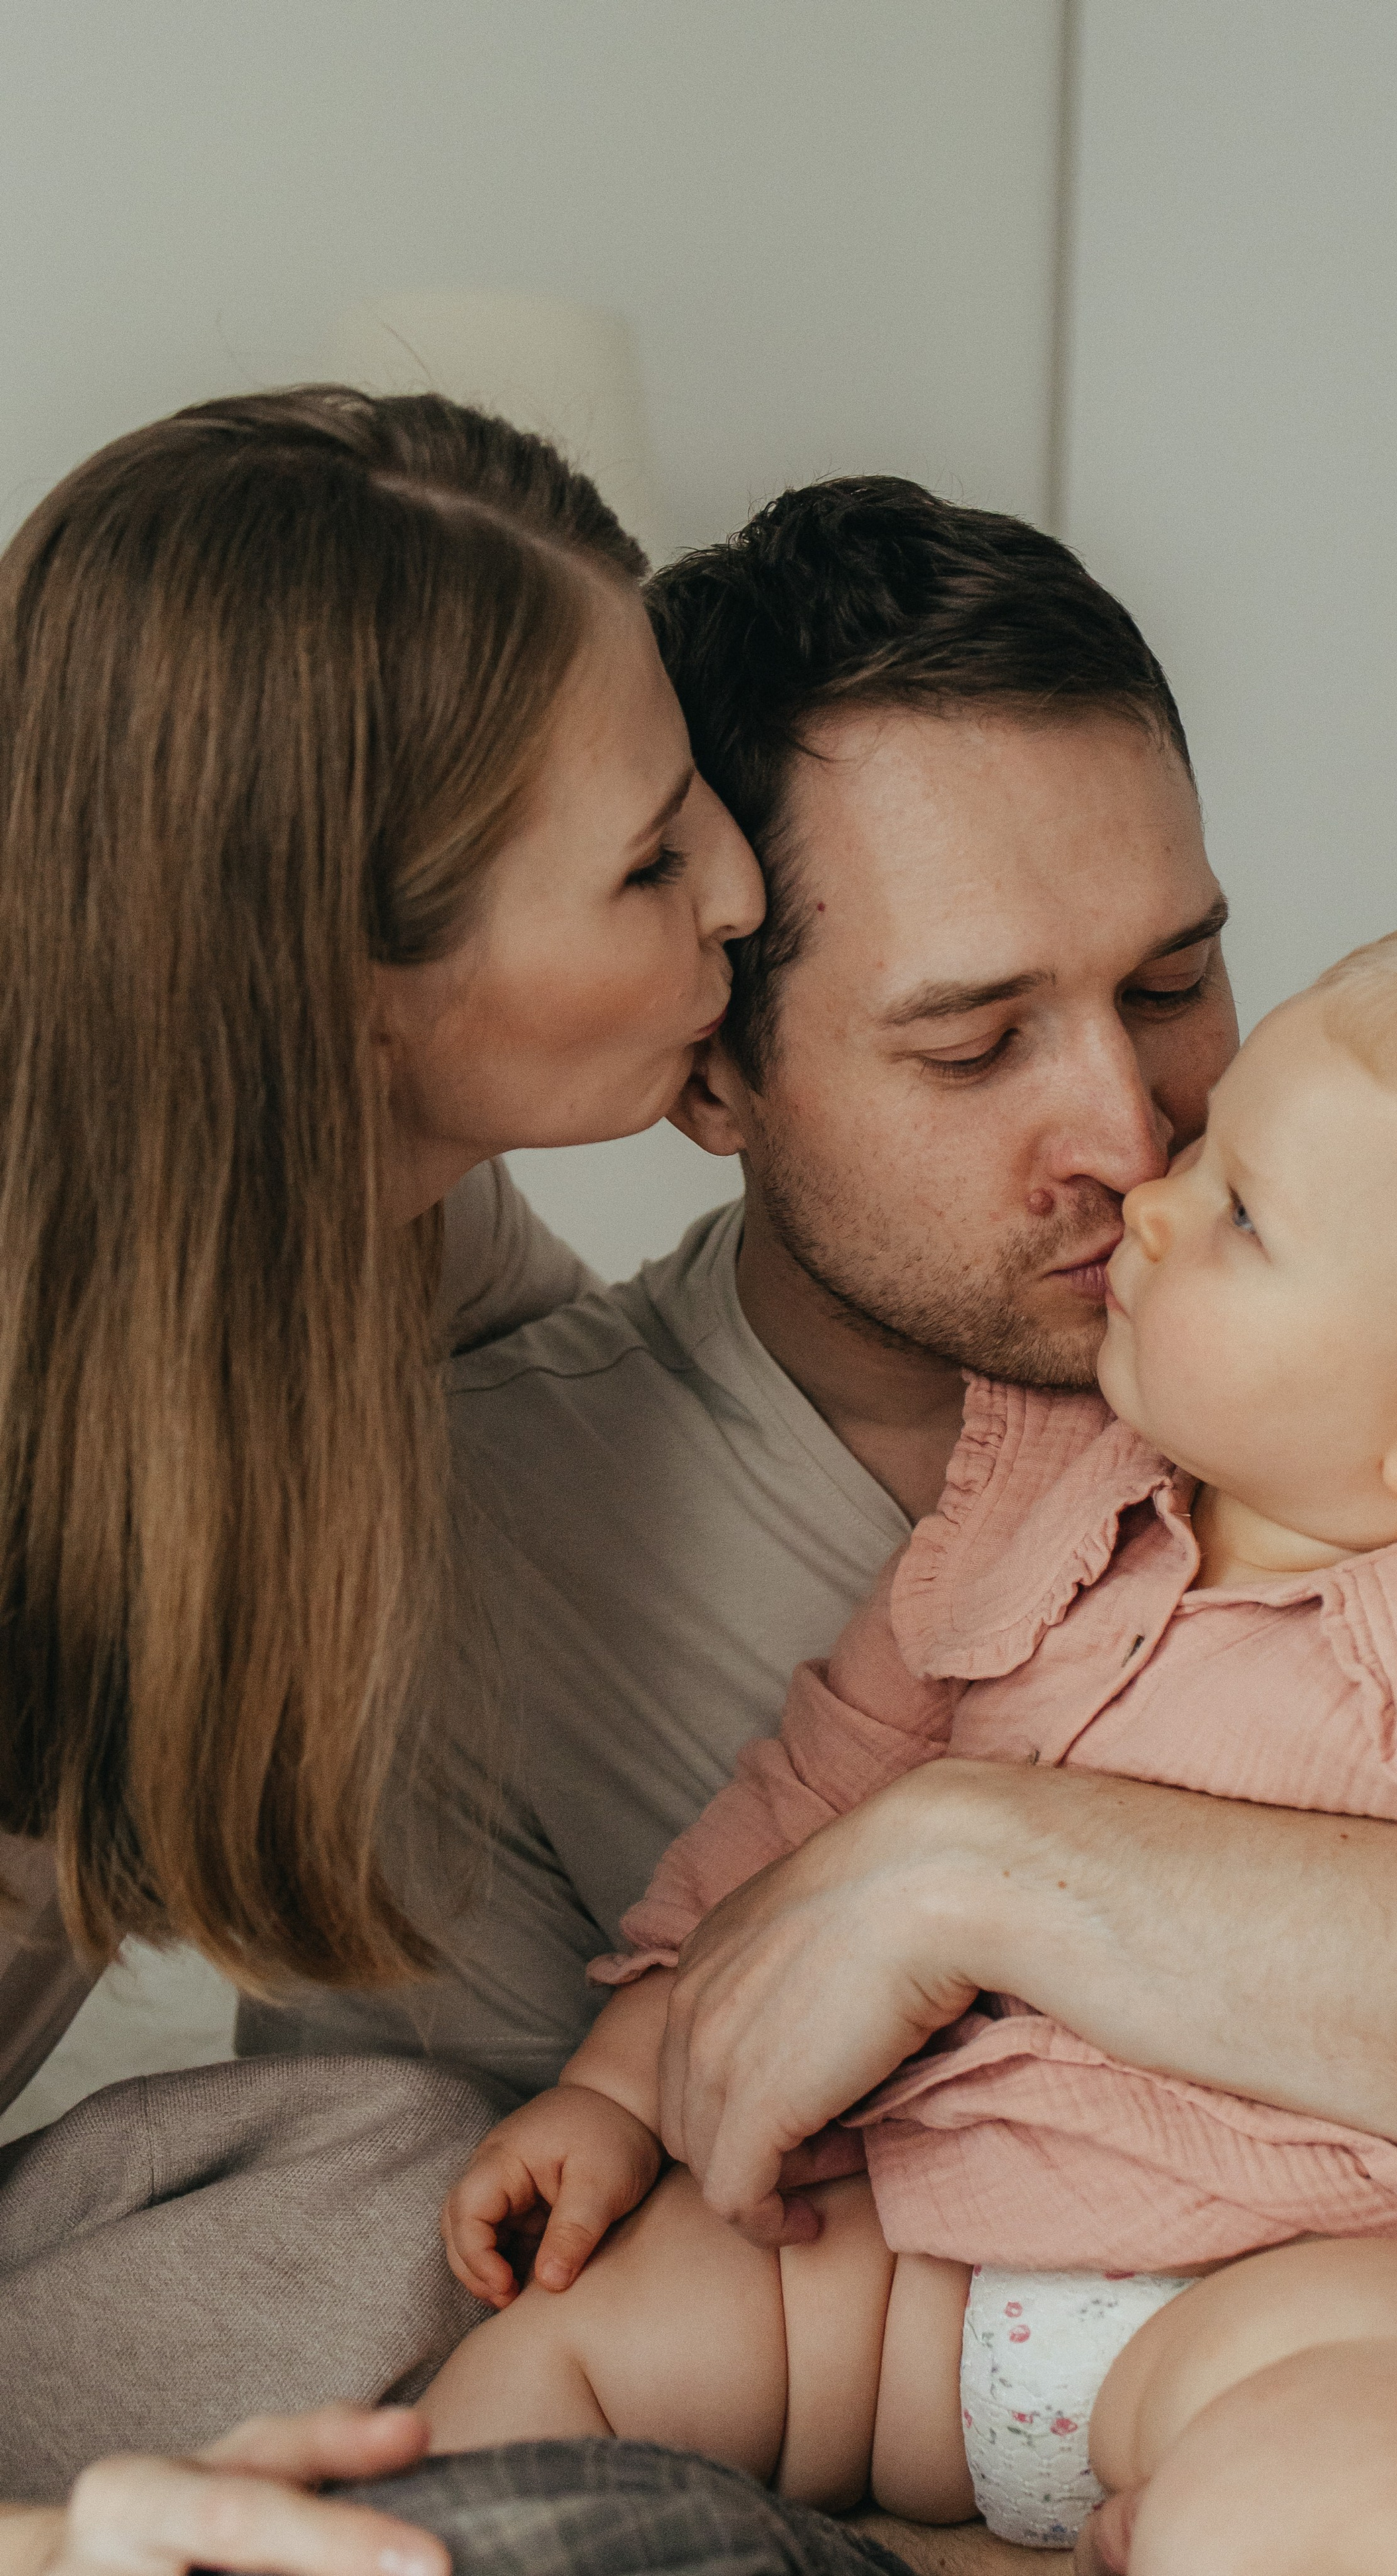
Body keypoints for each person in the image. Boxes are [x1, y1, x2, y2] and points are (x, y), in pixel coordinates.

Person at [253, 479, 1397, 2265]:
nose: (1132, 1141)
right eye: (972, 1048)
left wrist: (978, 1866)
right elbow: (450, 2281)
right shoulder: (466, 1577)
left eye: (1172, 982)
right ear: (711, 1073)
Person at [423, 922, 1397, 2575]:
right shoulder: (1048, 1492)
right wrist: (620, 2089)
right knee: (550, 2364)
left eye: (1241, 1215)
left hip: (1318, 2280)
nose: (1151, 1199)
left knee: (1381, 2494)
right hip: (906, 2257)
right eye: (1208, 1151)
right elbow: (810, 1806)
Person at [0, 386, 764, 2572]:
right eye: (645, 859)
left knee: (413, 2180)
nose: (739, 880)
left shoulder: (374, 1220)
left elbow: (646, 1461)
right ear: (343, 1001)